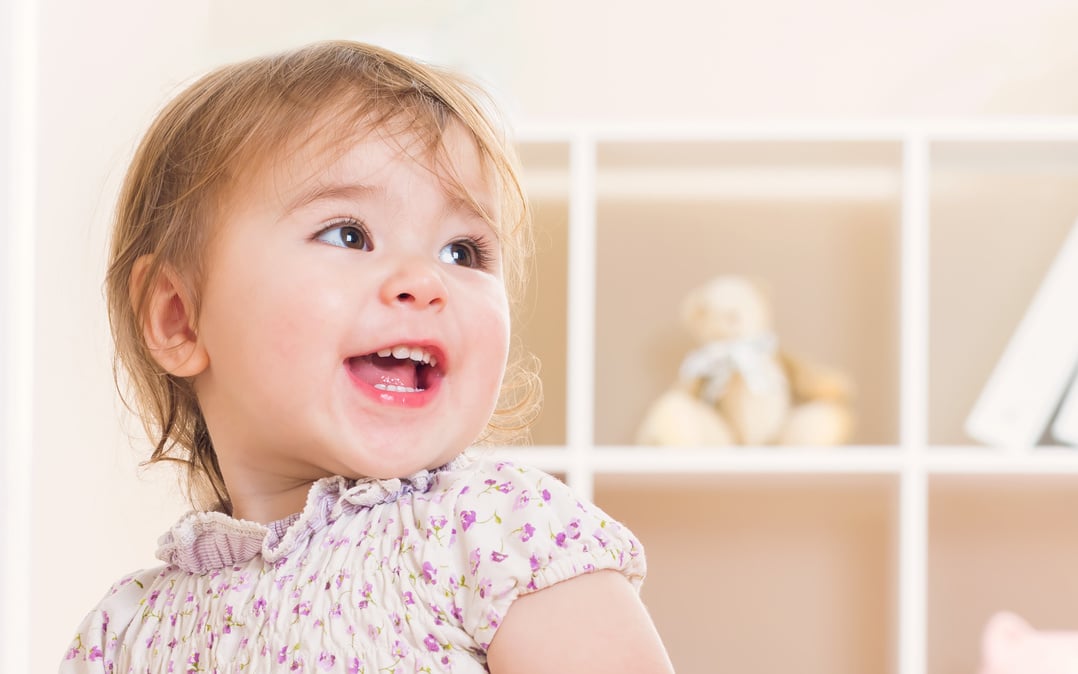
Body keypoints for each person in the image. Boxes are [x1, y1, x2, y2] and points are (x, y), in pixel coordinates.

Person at [59, 40, 674, 673]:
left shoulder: (500, 534)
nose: (425, 280)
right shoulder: (128, 632)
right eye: (349, 234)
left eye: (463, 251)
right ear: (178, 317)